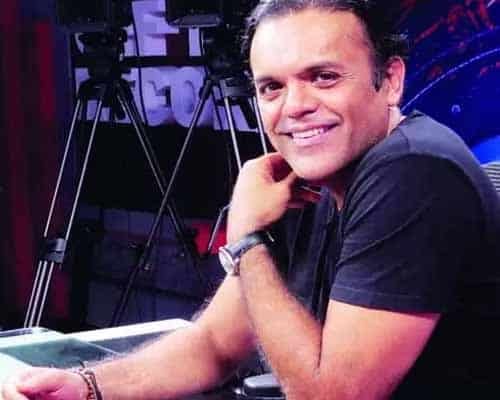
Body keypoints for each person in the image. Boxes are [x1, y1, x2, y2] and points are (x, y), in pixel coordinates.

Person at [3, 0, 500, 398]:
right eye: (271, 87)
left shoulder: (415, 169)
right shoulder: (306, 177)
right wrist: (87, 386)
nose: (296, 107)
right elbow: (215, 344)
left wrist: (246, 242)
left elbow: (331, 396)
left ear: (390, 80)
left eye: (323, 77)